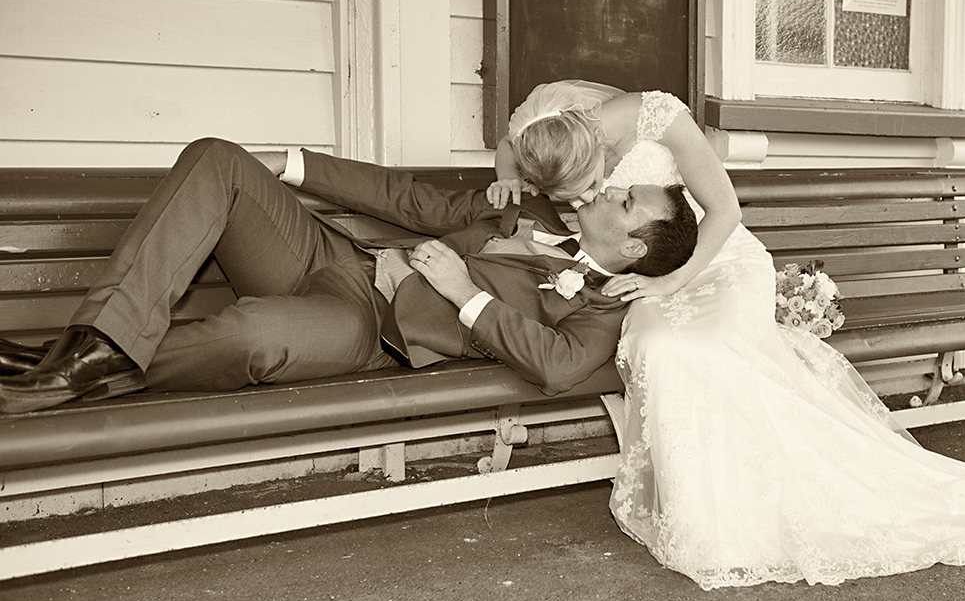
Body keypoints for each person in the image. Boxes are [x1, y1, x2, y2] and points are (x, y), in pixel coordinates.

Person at [491, 79, 965, 589]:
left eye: (590, 189)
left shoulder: (657, 117)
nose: (586, 201)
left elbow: (723, 210)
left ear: (598, 144)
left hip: (717, 261)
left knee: (712, 344)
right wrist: (509, 187)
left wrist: (670, 282)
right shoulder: (546, 142)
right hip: (654, 269)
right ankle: (709, 522)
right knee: (660, 348)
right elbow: (523, 166)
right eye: (575, 196)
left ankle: (794, 498)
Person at [0, 137, 698, 414]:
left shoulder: (607, 304)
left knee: (253, 335)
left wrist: (463, 292)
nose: (610, 190)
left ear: (635, 248)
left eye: (625, 200)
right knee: (218, 158)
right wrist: (292, 166)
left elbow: (559, 365)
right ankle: (92, 346)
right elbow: (407, 202)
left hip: (369, 327)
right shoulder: (524, 207)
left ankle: (76, 364)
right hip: (335, 262)